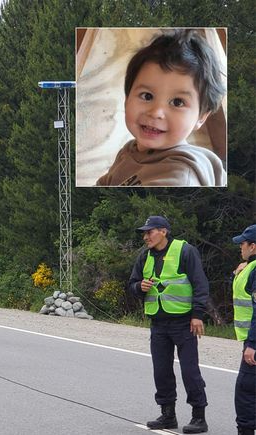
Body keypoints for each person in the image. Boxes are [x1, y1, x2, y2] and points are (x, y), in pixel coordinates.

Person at [96, 30, 226, 187]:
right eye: (147, 96)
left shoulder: (180, 176)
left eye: (177, 102)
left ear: (201, 117)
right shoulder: (129, 151)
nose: (156, 112)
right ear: (126, 100)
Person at [128, 216, 208, 433]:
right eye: (144, 233)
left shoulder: (185, 251)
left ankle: (199, 416)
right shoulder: (144, 256)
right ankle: (167, 415)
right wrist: (139, 288)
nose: (145, 237)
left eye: (149, 232)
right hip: (158, 324)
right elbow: (132, 284)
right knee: (161, 371)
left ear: (163, 231)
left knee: (190, 372)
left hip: (184, 323)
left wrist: (197, 314)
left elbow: (200, 284)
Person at [231, 224, 256, 435]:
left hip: (254, 342)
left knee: (245, 391)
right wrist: (237, 274)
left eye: (243, 244)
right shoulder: (249, 268)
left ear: (253, 246)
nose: (240, 247)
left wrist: (253, 344)